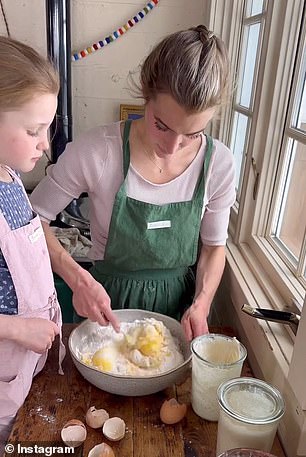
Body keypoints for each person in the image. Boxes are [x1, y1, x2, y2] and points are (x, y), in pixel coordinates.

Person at [31, 25, 235, 342]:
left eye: (192, 134)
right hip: (105, 312)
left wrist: (202, 303)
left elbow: (213, 246)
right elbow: (33, 221)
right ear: (145, 93)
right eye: (162, 125)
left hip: (175, 317)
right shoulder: (97, 151)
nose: (171, 148)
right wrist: (77, 279)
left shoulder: (218, 165)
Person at [0, 36, 65, 450]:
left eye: (49, 128)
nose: (46, 144)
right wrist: (19, 328)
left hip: (26, 369)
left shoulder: (10, 177)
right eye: (34, 130)